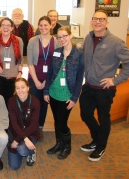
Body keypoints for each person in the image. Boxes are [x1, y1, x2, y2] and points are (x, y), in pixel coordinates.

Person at [80, 10, 129, 162]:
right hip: (89, 86)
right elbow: (82, 53)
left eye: (101, 19)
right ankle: (97, 139)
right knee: (85, 114)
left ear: (106, 23)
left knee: (104, 118)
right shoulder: (88, 37)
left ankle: (101, 146)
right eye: (95, 19)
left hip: (105, 90)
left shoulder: (116, 42)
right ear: (91, 21)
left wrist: (115, 80)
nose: (97, 22)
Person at [43, 26, 85, 160]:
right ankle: (59, 144)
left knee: (62, 123)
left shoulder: (79, 54)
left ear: (71, 35)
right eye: (59, 37)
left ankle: (67, 146)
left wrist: (74, 97)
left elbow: (79, 78)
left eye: (64, 36)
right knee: (57, 121)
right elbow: (50, 72)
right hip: (53, 92)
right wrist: (46, 91)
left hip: (67, 95)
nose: (62, 39)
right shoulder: (56, 52)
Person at [27, 16, 61, 136]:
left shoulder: (56, 42)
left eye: (45, 25)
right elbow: (30, 62)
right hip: (34, 77)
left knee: (44, 104)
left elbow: (57, 63)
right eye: (40, 25)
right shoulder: (33, 40)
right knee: (34, 104)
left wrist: (47, 81)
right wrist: (36, 81)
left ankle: (40, 127)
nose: (43, 27)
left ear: (51, 26)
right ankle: (32, 127)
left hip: (50, 79)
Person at [7, 78, 40, 170]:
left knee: (22, 149)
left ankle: (31, 151)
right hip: (15, 133)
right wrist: (18, 138)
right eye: (17, 88)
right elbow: (13, 123)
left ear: (28, 88)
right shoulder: (11, 101)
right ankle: (24, 148)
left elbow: (33, 125)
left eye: (23, 87)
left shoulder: (35, 101)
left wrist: (20, 139)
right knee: (14, 166)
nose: (20, 90)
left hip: (30, 133)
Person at [0, 17, 24, 105]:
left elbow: (20, 59)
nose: (6, 27)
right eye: (3, 25)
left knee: (12, 104)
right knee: (0, 104)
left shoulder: (18, 40)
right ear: (0, 28)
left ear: (12, 28)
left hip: (13, 78)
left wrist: (20, 72)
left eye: (8, 25)